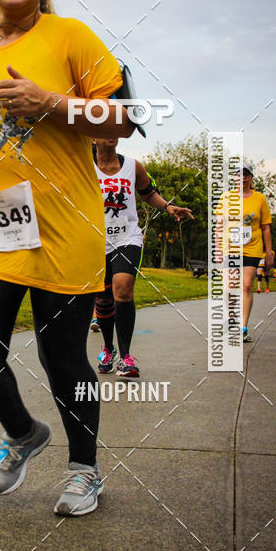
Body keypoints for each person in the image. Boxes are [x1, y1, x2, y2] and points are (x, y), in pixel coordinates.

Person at [0, 0, 137, 516]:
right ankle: (24, 433)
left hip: (64, 223)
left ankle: (85, 470)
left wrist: (48, 102)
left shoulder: (70, 35)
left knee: (64, 359)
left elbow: (123, 119)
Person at [93, 138, 193, 377]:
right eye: (105, 128)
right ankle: (108, 348)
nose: (112, 133)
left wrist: (167, 206)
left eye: (116, 128)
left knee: (123, 288)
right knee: (103, 299)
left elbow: (148, 193)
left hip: (127, 238)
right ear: (93, 138)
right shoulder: (84, 166)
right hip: (95, 241)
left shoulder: (133, 166)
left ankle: (126, 358)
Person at [238, 163, 273, 343]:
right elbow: (220, 225)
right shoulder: (226, 198)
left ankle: (243, 327)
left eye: (247, 174)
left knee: (246, 285)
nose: (243, 177)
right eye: (240, 174)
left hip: (253, 247)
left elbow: (266, 227)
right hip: (231, 247)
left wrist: (269, 253)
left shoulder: (260, 198)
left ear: (251, 177)